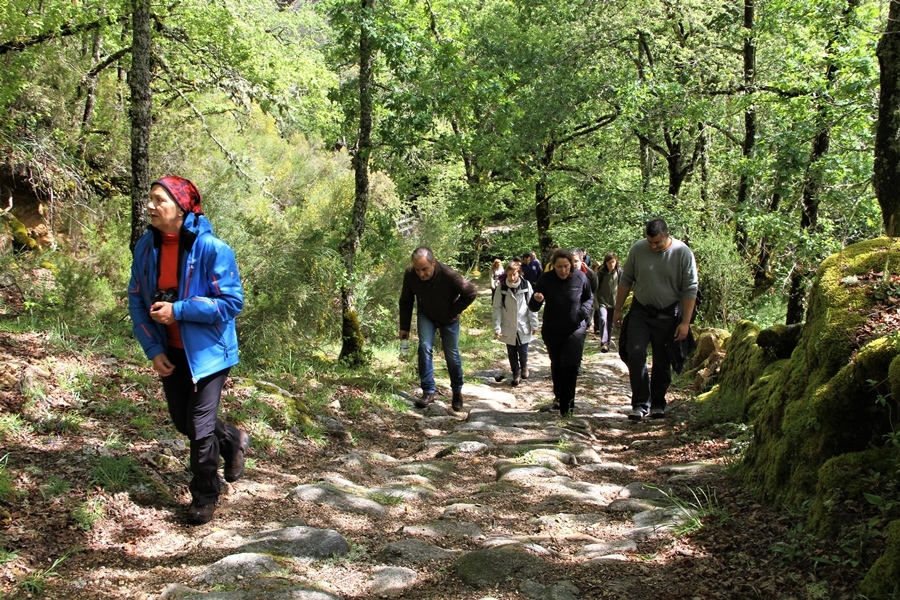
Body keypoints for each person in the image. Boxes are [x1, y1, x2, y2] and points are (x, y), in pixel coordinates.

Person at [128, 175, 249, 525]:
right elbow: (137, 299)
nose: (150, 205)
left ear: (181, 209)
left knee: (198, 426)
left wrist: (178, 310)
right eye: (149, 199)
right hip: (170, 350)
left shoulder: (213, 249)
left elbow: (231, 302)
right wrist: (152, 348)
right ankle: (233, 439)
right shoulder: (145, 247)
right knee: (184, 421)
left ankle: (204, 495)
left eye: (158, 200)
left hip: (210, 352)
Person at [613, 218, 698, 421]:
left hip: (668, 316)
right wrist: (617, 309)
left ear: (667, 236)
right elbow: (626, 280)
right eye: (649, 242)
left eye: (657, 243)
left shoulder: (682, 253)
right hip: (640, 313)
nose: (653, 246)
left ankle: (658, 403)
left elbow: (690, 288)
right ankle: (640, 403)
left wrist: (685, 323)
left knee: (662, 361)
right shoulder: (638, 249)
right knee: (635, 353)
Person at [399, 247, 478, 411]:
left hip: (448, 318)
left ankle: (457, 391)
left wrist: (452, 312)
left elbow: (471, 292)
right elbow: (406, 301)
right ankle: (428, 391)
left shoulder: (449, 276)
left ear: (433, 263)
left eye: (424, 269)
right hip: (426, 314)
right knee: (424, 347)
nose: (421, 274)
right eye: (417, 269)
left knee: (452, 355)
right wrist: (404, 327)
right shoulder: (410, 274)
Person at [528, 249, 593, 416]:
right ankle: (559, 395)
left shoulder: (580, 277)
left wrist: (583, 313)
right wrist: (537, 300)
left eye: (566, 266)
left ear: (571, 265)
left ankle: (568, 406)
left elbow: (589, 297)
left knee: (571, 365)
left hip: (576, 328)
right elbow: (533, 306)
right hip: (553, 330)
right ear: (553, 266)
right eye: (559, 267)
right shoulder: (546, 279)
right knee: (557, 364)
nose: (563, 270)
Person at [493, 262, 540, 386]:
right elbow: (496, 307)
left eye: (514, 274)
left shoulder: (526, 285)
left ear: (519, 273)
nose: (512, 277)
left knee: (523, 350)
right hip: (508, 324)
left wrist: (534, 324)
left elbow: (532, 306)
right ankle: (516, 373)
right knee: (511, 351)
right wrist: (497, 327)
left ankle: (524, 367)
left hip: (522, 323)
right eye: (509, 275)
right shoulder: (501, 287)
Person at [595, 252, 622, 352]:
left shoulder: (618, 272)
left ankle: (608, 343)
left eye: (613, 262)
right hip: (602, 301)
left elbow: (622, 286)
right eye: (609, 262)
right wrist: (596, 302)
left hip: (614, 302)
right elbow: (596, 288)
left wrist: (620, 303)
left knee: (610, 323)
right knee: (603, 318)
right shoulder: (601, 272)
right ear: (606, 263)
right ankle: (604, 342)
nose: (612, 264)